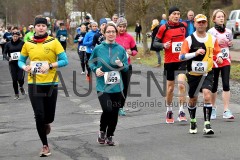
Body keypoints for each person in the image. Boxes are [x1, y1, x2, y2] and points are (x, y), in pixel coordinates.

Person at [18, 16, 68, 156]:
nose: (41, 27)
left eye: (43, 25)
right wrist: (24, 67)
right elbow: (20, 61)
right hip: (34, 83)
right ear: (34, 27)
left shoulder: (54, 42)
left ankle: (47, 122)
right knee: (38, 115)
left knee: (48, 116)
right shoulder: (28, 43)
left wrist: (51, 65)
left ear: (47, 28)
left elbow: (65, 60)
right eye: (38, 25)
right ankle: (45, 145)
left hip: (51, 83)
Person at [179, 14, 223, 134]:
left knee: (207, 95)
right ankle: (193, 120)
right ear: (195, 24)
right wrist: (195, 53)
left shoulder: (212, 39)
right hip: (193, 74)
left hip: (207, 72)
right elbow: (181, 56)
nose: (201, 24)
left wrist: (219, 57)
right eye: (199, 22)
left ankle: (207, 124)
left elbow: (218, 52)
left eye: (203, 22)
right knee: (193, 99)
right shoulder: (189, 39)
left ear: (207, 24)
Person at [89, 23, 128, 146]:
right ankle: (102, 131)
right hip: (102, 86)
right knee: (107, 109)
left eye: (113, 32)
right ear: (104, 33)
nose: (111, 34)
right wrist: (96, 70)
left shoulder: (121, 49)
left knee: (115, 112)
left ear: (116, 33)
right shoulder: (98, 49)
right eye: (108, 32)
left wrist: (122, 65)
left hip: (117, 86)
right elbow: (91, 62)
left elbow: (126, 68)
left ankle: (110, 135)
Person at [153, 6, 188, 123]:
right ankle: (169, 110)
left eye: (178, 14)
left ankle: (182, 111)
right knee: (170, 89)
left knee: (182, 85)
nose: (177, 16)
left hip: (181, 60)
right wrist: (163, 45)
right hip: (169, 62)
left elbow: (188, 39)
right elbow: (154, 43)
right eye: (174, 14)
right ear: (169, 15)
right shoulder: (163, 27)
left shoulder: (184, 26)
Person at [208, 9, 234, 119]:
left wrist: (230, 44)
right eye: (219, 17)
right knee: (214, 86)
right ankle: (213, 108)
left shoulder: (228, 31)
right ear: (214, 19)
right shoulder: (211, 32)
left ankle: (226, 110)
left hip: (226, 60)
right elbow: (208, 47)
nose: (221, 18)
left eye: (222, 16)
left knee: (226, 84)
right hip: (214, 61)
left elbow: (229, 44)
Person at [116, 17, 138, 116]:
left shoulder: (129, 37)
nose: (122, 29)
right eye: (120, 26)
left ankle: (121, 107)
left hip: (126, 66)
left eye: (124, 26)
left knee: (124, 87)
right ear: (117, 27)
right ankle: (114, 106)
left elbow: (135, 50)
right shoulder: (113, 36)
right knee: (114, 87)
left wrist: (131, 52)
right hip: (114, 67)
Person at [3, 27, 26, 99]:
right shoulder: (8, 44)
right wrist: (8, 58)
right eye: (14, 36)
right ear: (12, 36)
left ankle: (21, 86)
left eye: (16, 36)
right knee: (14, 79)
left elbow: (26, 52)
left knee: (20, 78)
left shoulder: (22, 43)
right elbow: (4, 53)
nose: (15, 38)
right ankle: (16, 94)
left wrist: (24, 58)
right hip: (12, 63)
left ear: (19, 36)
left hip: (20, 63)